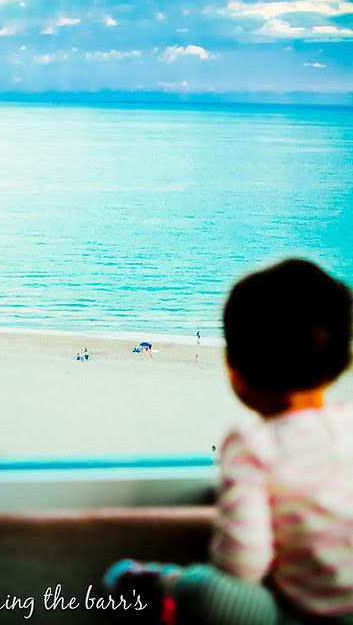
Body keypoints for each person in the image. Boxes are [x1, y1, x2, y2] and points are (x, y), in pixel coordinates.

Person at [104, 259, 353, 624]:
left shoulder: (254, 446)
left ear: (235, 370)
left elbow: (241, 567)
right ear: (340, 362)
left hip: (301, 615)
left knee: (216, 595)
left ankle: (165, 585)